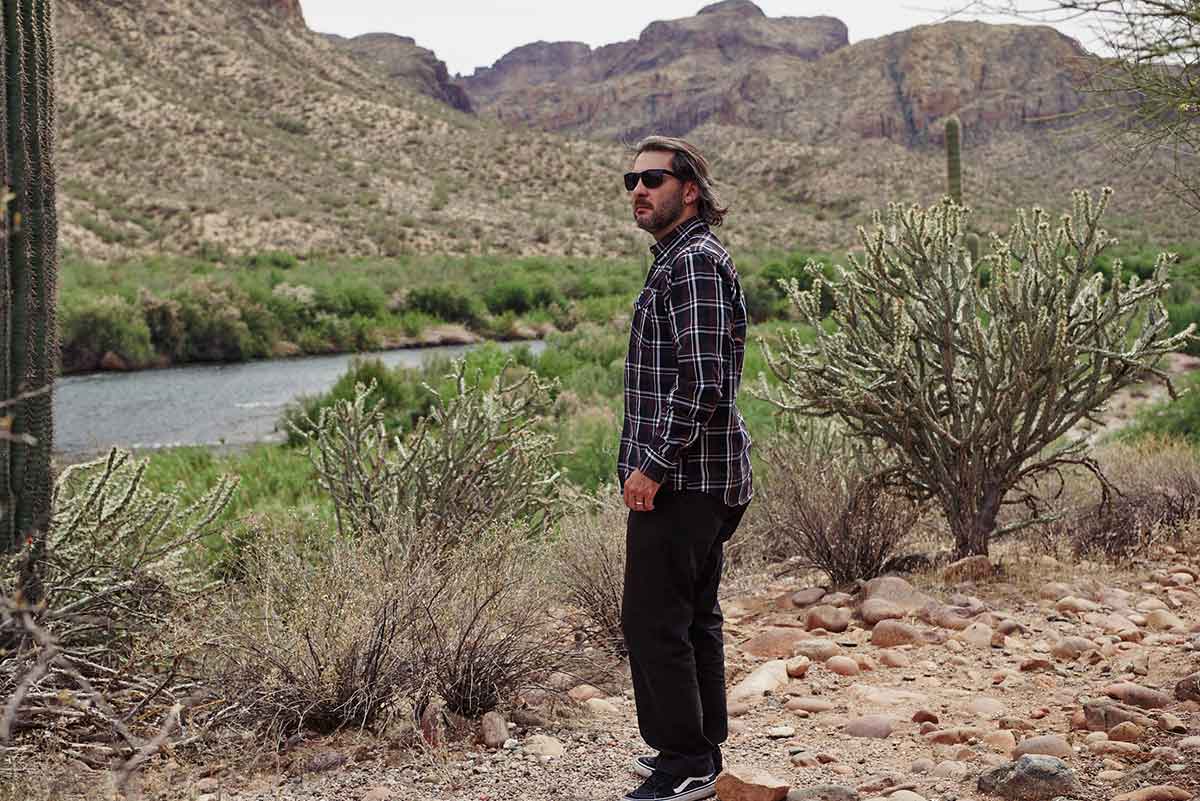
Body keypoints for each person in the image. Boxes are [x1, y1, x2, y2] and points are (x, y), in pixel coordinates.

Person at [618, 136, 753, 801]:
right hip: (701, 476)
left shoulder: (693, 263)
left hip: (685, 479)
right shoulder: (680, 258)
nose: (639, 190)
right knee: (693, 617)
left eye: (653, 179)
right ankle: (702, 750)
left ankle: (686, 761)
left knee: (653, 621)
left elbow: (702, 384)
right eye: (631, 181)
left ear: (689, 189)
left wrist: (652, 465)